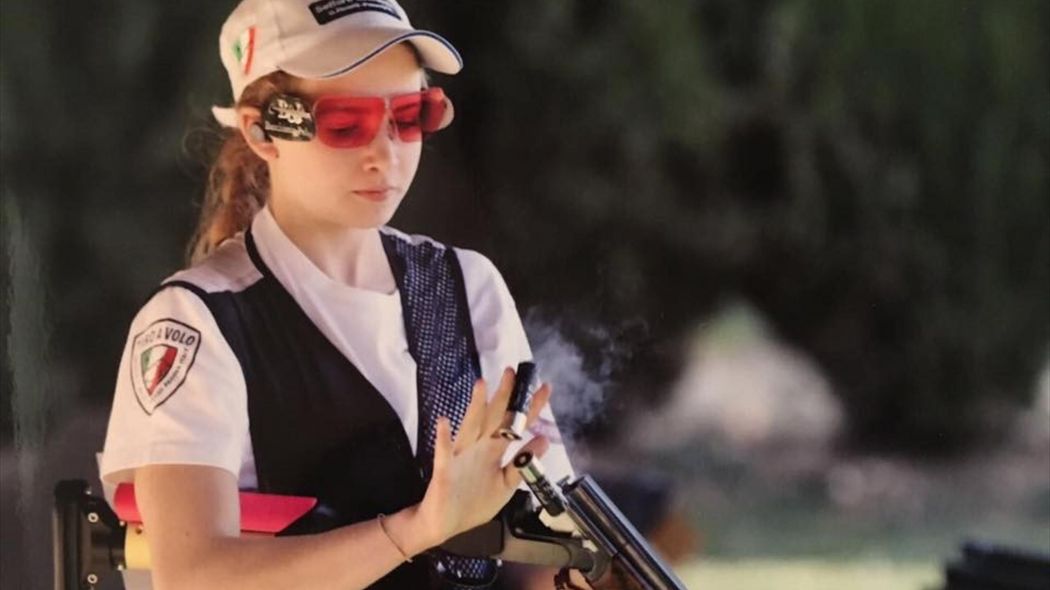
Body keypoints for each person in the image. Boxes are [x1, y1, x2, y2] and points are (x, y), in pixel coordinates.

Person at [98, 1, 577, 588]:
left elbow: (555, 546)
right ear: (261, 130)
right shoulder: (196, 321)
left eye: (410, 116)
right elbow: (194, 575)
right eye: (345, 123)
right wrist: (415, 530)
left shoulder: (469, 285)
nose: (385, 154)